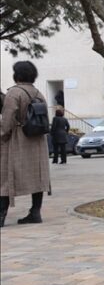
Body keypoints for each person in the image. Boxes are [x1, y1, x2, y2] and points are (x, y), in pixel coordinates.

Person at [0, 61, 51, 227]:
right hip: (37, 141)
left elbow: (7, 121)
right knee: (38, 176)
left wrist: (2, 136)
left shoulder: (14, 93)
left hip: (18, 140)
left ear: (17, 75)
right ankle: (35, 212)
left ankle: (1, 215)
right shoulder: (38, 93)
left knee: (6, 177)